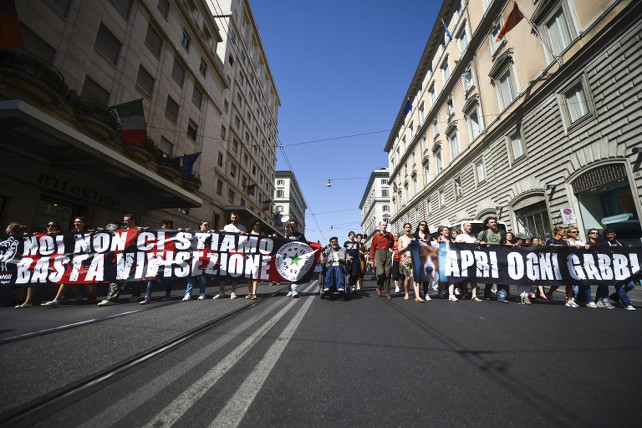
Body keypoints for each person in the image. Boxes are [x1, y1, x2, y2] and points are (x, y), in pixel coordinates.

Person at [41, 218, 90, 307]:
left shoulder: (88, 232)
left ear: (84, 223)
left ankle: (56, 300)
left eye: (79, 222)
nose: (76, 223)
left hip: (82, 258)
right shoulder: (71, 233)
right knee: (69, 278)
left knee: (67, 276)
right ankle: (79, 297)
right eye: (75, 221)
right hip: (70, 258)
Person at [98, 214, 143, 306]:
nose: (124, 222)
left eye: (126, 220)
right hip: (121, 258)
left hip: (135, 258)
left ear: (133, 220)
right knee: (116, 276)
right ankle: (111, 298)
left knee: (133, 277)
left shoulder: (139, 230)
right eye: (124, 220)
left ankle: (136, 294)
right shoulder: (123, 231)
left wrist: (143, 231)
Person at [141, 218, 177, 305]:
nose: (165, 226)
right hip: (156, 259)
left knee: (167, 279)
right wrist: (144, 230)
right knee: (151, 277)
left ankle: (168, 294)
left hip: (168, 259)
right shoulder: (156, 234)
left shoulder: (173, 235)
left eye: (167, 225)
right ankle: (147, 297)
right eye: (163, 225)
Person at [214, 212, 246, 300]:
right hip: (226, 252)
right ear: (230, 217)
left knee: (234, 272)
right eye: (232, 218)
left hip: (236, 253)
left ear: (238, 218)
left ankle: (233, 292)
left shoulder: (242, 228)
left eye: (235, 218)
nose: (234, 219)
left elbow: (245, 240)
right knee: (222, 272)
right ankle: (222, 292)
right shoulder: (226, 227)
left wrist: (244, 234)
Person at [603, 228, 636, 311]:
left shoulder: (620, 243)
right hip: (613, 270)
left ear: (615, 234)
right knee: (620, 286)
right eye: (608, 234)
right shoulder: (604, 244)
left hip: (623, 268)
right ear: (605, 235)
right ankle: (626, 304)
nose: (610, 235)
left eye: (612, 234)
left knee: (630, 285)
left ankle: (614, 296)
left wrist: (629, 248)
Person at [546, 226, 577, 307]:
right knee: (558, 281)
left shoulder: (564, 242)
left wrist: (571, 247)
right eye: (564, 231)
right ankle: (549, 293)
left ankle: (569, 300)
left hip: (565, 263)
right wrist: (550, 247)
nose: (565, 232)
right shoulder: (551, 240)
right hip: (555, 264)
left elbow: (568, 251)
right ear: (558, 232)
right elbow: (546, 251)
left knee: (569, 281)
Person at [477, 217, 507, 303]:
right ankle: (487, 292)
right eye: (492, 222)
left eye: (495, 222)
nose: (494, 223)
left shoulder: (501, 233)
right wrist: (479, 242)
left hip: (499, 257)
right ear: (487, 224)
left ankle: (501, 295)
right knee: (490, 276)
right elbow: (476, 243)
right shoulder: (483, 233)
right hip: (488, 258)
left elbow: (503, 244)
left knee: (501, 276)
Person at [566, 226, 597, 308]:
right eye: (574, 232)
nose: (576, 233)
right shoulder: (566, 242)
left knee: (585, 282)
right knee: (574, 284)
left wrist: (588, 245)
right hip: (571, 266)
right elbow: (563, 249)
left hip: (582, 266)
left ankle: (588, 300)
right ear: (569, 233)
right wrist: (572, 246)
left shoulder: (581, 241)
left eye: (577, 232)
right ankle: (579, 299)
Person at [585, 228, 613, 309]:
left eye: (597, 233)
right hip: (591, 267)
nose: (595, 234)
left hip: (601, 266)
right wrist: (585, 247)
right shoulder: (587, 244)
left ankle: (604, 299)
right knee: (588, 283)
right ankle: (592, 299)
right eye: (593, 233)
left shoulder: (601, 244)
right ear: (589, 235)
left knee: (604, 282)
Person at [454, 222, 481, 302]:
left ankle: (474, 295)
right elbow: (456, 247)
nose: (470, 227)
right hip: (463, 259)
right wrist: (460, 244)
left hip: (473, 259)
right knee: (465, 277)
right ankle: (464, 291)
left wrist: (478, 243)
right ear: (464, 227)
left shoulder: (473, 237)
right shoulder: (459, 236)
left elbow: (476, 247)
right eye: (468, 226)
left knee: (474, 277)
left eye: (471, 226)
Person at [398, 223, 424, 302]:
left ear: (411, 228)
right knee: (408, 278)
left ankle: (417, 296)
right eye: (406, 227)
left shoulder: (413, 237)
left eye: (409, 227)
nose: (408, 229)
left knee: (415, 277)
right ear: (404, 229)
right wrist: (407, 246)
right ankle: (407, 293)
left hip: (414, 258)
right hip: (405, 258)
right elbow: (399, 250)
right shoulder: (401, 238)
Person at [369, 221, 394, 300]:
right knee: (381, 273)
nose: (384, 226)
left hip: (387, 253)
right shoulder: (376, 236)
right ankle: (379, 286)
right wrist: (372, 259)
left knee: (387, 273)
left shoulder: (389, 235)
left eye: (385, 225)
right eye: (383, 225)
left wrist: (391, 250)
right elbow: (372, 248)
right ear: (380, 226)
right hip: (378, 253)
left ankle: (387, 292)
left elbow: (392, 244)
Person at [283, 219, 306, 298]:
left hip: (297, 257)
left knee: (295, 273)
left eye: (293, 224)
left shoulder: (300, 235)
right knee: (289, 274)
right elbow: (284, 242)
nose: (291, 226)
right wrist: (286, 231)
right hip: (289, 257)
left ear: (296, 225)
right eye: (290, 224)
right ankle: (290, 290)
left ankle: (294, 290)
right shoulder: (288, 234)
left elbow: (305, 244)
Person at [436, 225, 457, 301]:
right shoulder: (438, 239)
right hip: (441, 260)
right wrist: (438, 243)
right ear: (441, 232)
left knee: (451, 277)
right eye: (445, 230)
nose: (447, 232)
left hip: (451, 260)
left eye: (448, 230)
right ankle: (441, 290)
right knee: (442, 278)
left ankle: (451, 294)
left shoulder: (450, 240)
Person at [245, 218, 263, 300]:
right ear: (253, 225)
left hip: (257, 257)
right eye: (257, 225)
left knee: (255, 275)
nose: (258, 227)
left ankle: (254, 293)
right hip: (249, 256)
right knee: (249, 276)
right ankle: (249, 292)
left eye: (259, 225)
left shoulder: (261, 234)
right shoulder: (248, 234)